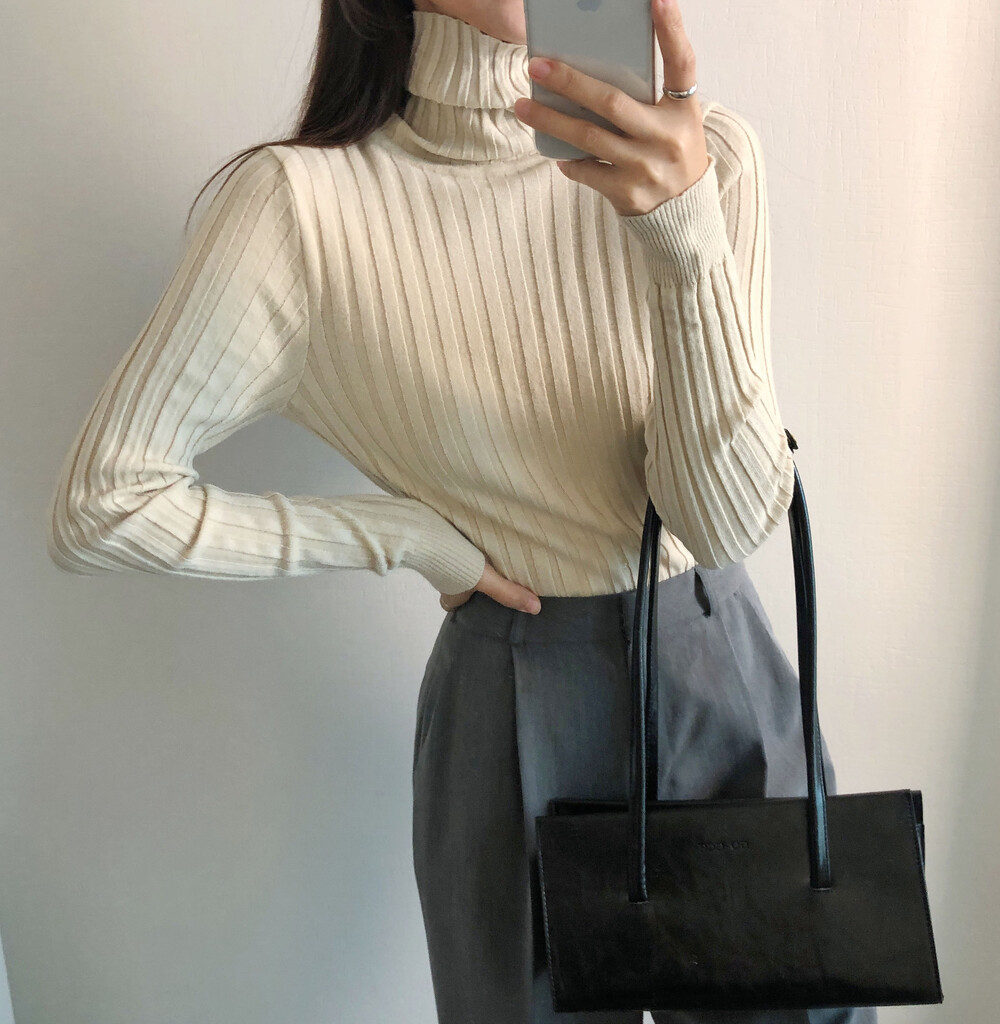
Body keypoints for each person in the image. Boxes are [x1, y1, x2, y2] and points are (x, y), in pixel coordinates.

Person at [46, 0, 877, 1022]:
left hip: (716, 670)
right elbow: (102, 502)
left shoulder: (708, 158)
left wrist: (685, 234)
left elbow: (726, 523)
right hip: (509, 695)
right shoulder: (301, 212)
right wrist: (404, 537)